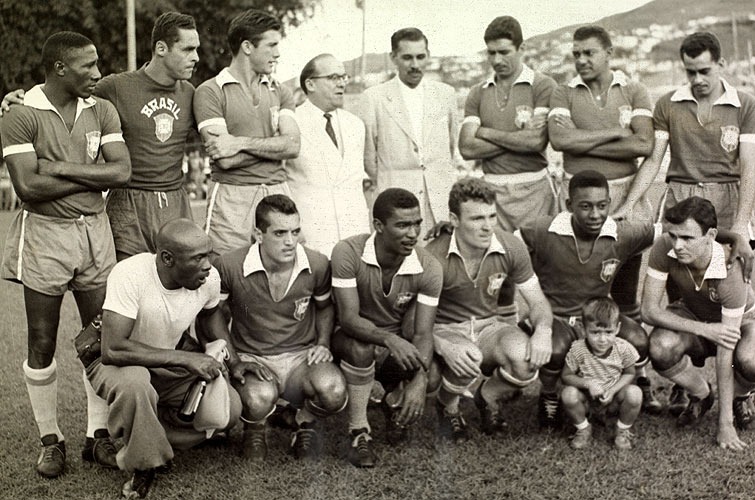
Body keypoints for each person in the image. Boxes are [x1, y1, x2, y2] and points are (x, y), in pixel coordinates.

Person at [0, 31, 131, 478]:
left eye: (97, 64)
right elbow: (28, 187)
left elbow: (122, 170)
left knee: (98, 339)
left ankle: (97, 436)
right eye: (87, 66)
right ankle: (50, 439)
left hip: (95, 233)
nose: (96, 73)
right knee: (41, 339)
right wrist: (93, 177)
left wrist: (57, 167)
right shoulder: (20, 114)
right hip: (45, 236)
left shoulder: (103, 109)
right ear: (59, 68)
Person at [1, 13, 201, 261]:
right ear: (161, 48)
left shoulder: (193, 94)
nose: (196, 57)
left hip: (175, 201)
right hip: (129, 202)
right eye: (188, 49)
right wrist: (19, 98)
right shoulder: (117, 86)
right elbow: (62, 90)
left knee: (181, 289)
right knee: (126, 290)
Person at [89, 219, 242, 498]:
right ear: (167, 259)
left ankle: (150, 436)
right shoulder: (130, 274)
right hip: (116, 361)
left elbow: (210, 316)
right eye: (198, 258)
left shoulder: (208, 278)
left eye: (208, 254)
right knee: (136, 384)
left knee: (230, 411)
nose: (208, 265)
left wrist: (234, 362)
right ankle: (144, 465)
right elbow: (112, 349)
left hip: (165, 358)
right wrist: (185, 359)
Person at [211, 195, 347, 461]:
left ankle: (304, 422)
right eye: (280, 233)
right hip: (254, 358)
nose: (290, 241)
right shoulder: (230, 265)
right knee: (258, 398)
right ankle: (255, 429)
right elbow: (212, 314)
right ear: (258, 234)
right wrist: (235, 360)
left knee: (333, 391)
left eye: (295, 231)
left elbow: (325, 307)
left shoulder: (317, 264)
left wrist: (323, 342)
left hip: (300, 358)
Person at [517, 170, 657, 428]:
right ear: (569, 206)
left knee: (638, 339)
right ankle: (549, 395)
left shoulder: (621, 232)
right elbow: (504, 241)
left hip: (597, 318)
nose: (595, 214)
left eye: (602, 206)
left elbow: (667, 232)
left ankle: (620, 391)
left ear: (610, 204)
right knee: (556, 349)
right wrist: (451, 232)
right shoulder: (544, 229)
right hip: (556, 316)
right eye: (586, 206)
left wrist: (733, 237)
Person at [426, 178, 553, 442]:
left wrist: (543, 330)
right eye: (476, 219)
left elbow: (538, 302)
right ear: (454, 219)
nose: (487, 227)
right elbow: (412, 322)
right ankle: (447, 405)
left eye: (492, 216)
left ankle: (487, 397)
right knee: (467, 356)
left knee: (526, 359)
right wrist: (444, 346)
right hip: (446, 329)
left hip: (488, 327)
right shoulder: (433, 257)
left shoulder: (510, 246)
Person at [548, 25, 654, 324]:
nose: (581, 59)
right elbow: (559, 141)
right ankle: (581, 359)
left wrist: (582, 144)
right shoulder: (564, 91)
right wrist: (616, 134)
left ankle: (633, 363)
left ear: (609, 53)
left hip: (623, 194)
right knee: (579, 280)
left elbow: (643, 143)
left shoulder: (633, 90)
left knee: (625, 284)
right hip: (579, 197)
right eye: (576, 53)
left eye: (589, 52)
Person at [331, 188, 443, 467]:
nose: (413, 233)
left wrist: (419, 380)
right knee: (361, 347)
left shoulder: (428, 266)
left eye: (417, 223)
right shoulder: (348, 252)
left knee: (432, 374)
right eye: (402, 225)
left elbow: (422, 333)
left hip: (396, 344)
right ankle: (359, 432)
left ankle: (394, 404)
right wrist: (389, 340)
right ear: (378, 226)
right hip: (349, 340)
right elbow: (348, 319)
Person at [615, 31, 755, 243]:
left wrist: (742, 222)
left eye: (704, 71)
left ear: (721, 64)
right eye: (691, 73)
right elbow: (653, 160)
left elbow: (749, 166)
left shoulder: (745, 104)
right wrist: (628, 205)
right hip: (680, 194)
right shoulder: (667, 104)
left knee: (729, 266)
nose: (697, 79)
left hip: (727, 196)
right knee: (674, 264)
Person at [641, 196, 755, 451]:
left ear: (710, 235)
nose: (678, 245)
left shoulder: (729, 269)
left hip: (743, 321)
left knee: (751, 359)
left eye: (687, 238)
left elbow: (726, 351)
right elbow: (648, 310)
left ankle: (741, 395)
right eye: (674, 236)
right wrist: (704, 329)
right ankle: (702, 394)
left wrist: (725, 425)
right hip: (695, 316)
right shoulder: (665, 246)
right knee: (660, 346)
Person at [194, 9, 300, 255]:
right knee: (226, 274)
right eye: (271, 45)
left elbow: (293, 146)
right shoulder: (210, 91)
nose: (277, 53)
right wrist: (276, 147)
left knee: (279, 274)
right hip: (233, 198)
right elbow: (226, 159)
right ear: (247, 47)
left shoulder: (281, 91)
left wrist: (239, 142)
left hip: (277, 192)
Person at [360, 27, 462, 239]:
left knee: (440, 264)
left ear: (428, 56)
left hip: (439, 203)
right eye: (407, 58)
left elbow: (451, 146)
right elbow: (369, 158)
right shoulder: (374, 98)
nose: (415, 65)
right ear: (393, 58)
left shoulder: (445, 94)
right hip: (396, 205)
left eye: (420, 57)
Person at [458, 16, 558, 232]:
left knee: (539, 261)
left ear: (521, 48)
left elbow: (535, 142)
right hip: (492, 193)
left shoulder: (542, 85)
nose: (496, 60)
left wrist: (484, 132)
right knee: (497, 261)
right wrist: (518, 138)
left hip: (534, 191)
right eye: (491, 53)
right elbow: (466, 148)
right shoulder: (478, 92)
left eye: (504, 52)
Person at [287, 54, 369, 257]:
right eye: (333, 78)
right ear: (310, 84)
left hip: (355, 235)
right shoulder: (291, 123)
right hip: (312, 235)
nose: (342, 83)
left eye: (344, 77)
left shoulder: (355, 125)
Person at [561, 297, 642, 450]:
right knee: (568, 394)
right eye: (595, 332)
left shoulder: (623, 348)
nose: (602, 339)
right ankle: (583, 428)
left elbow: (630, 373)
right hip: (587, 402)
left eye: (609, 332)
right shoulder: (578, 349)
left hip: (613, 400)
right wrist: (588, 384)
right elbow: (566, 376)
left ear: (617, 329)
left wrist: (612, 390)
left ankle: (622, 430)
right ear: (583, 329)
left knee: (635, 393)